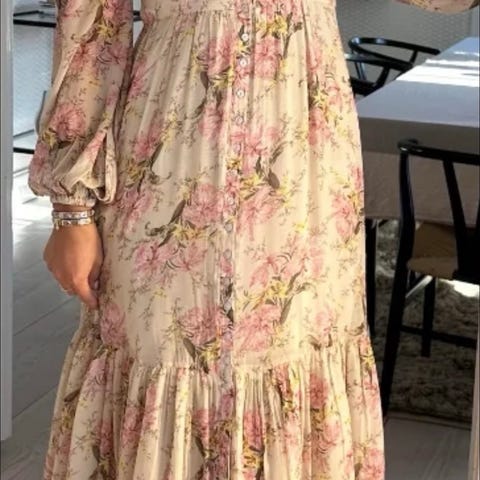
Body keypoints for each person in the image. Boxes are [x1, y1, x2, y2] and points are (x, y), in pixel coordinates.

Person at [28, 0, 477, 478]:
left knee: (297, 344)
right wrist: (71, 209)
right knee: (160, 347)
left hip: (305, 168)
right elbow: (92, 31)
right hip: (170, 155)